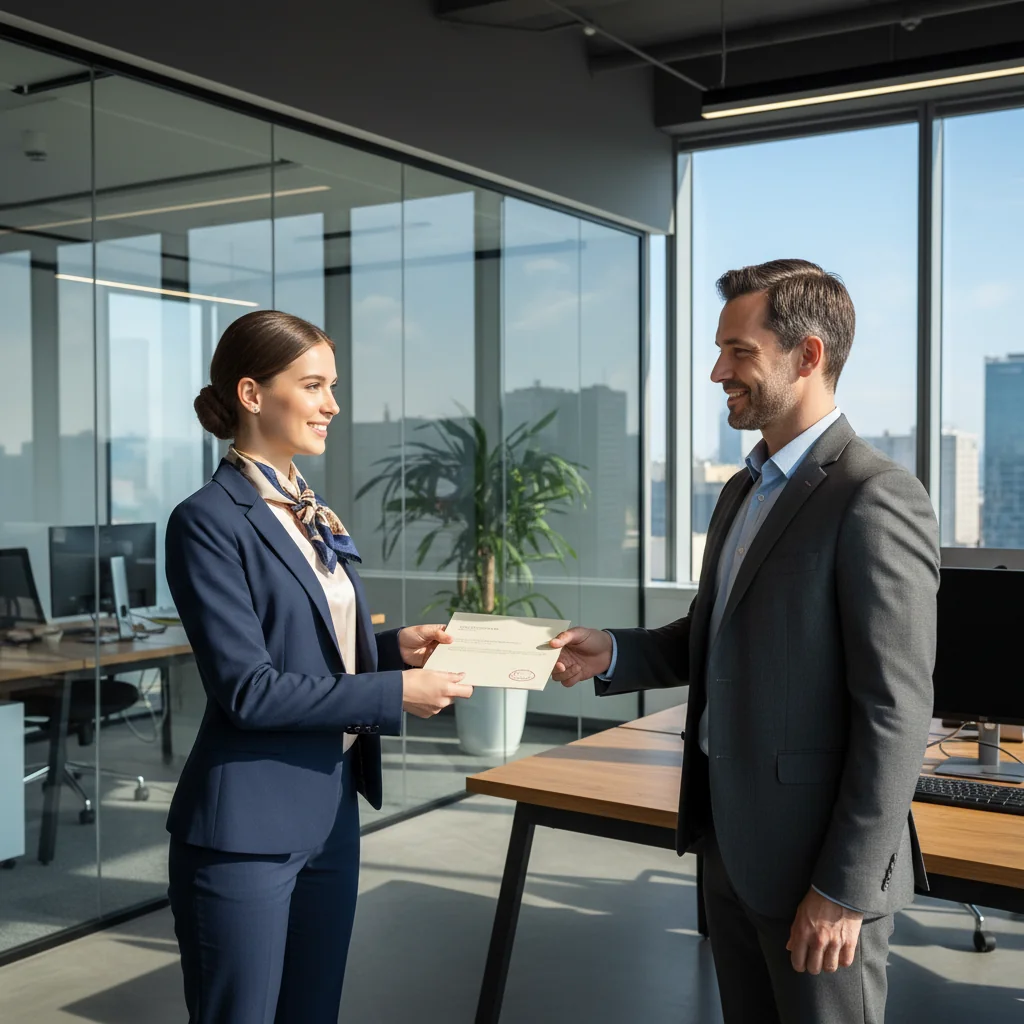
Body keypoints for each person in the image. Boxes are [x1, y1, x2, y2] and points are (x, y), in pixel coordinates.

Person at [551, 260, 938, 1024]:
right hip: (730, 846)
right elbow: (717, 634)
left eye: (739, 352)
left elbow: (896, 712)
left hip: (819, 873)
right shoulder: (742, 489)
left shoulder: (874, 495)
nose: (716, 371)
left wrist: (843, 889)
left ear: (809, 355)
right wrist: (616, 652)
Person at [164, 309, 473, 1024]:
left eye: (333, 386)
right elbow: (249, 689)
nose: (333, 404)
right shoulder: (207, 520)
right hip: (244, 829)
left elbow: (313, 651)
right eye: (314, 385)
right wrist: (394, 690)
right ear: (251, 393)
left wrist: (395, 650)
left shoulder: (309, 508)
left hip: (328, 810)